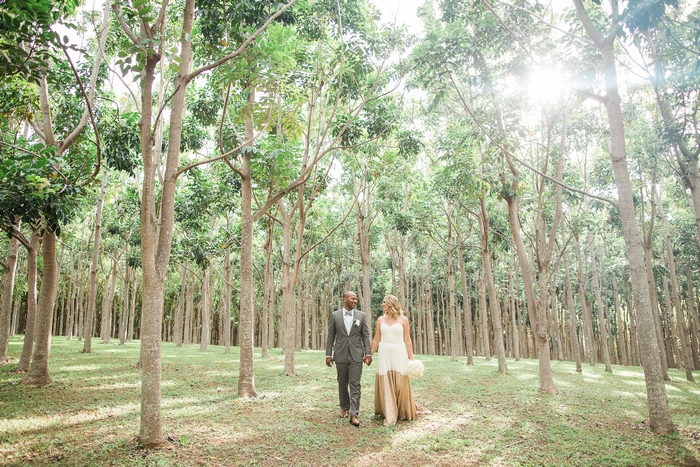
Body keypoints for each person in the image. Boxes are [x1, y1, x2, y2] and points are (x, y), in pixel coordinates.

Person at [325, 291, 372, 427]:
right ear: (345, 299)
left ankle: (354, 413)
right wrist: (328, 355)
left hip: (357, 355)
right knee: (342, 382)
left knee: (355, 384)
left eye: (356, 299)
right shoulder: (335, 316)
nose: (355, 301)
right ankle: (344, 408)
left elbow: (365, 336)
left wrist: (367, 353)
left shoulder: (361, 316)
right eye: (353, 298)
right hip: (340, 354)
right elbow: (330, 337)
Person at [370, 294, 417, 426]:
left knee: (401, 382)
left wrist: (411, 359)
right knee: (385, 380)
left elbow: (407, 340)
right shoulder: (380, 320)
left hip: (399, 351)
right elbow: (376, 339)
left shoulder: (403, 320)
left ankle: (403, 410)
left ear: (391, 304)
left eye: (384, 302)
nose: (382, 304)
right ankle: (389, 412)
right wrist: (370, 355)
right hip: (384, 352)